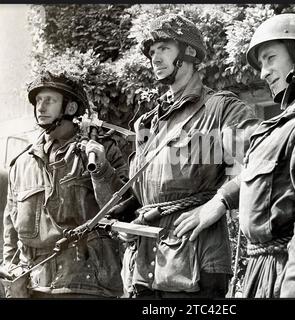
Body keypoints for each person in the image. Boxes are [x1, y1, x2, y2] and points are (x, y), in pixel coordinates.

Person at [177, 13, 295, 298]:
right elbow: (273, 179)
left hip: (292, 273)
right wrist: (223, 199)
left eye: (270, 58)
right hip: (267, 274)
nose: (263, 72)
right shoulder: (294, 119)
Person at [120, 13, 260, 298]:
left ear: (189, 53)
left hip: (197, 260)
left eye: (164, 49)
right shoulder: (149, 123)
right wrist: (130, 218)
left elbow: (261, 159)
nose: (154, 59)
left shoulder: (220, 109)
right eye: (152, 52)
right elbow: (147, 191)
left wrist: (220, 203)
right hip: (148, 264)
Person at [1, 71, 129, 298]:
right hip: (35, 286)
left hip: (87, 285)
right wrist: (12, 274)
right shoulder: (22, 163)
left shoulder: (100, 151)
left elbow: (122, 212)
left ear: (70, 108)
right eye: (38, 100)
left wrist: (101, 170)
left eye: (49, 100)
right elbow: (11, 230)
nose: (41, 107)